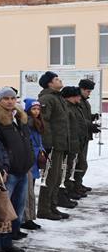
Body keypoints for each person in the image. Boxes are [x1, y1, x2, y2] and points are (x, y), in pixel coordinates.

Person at [0, 87, 34, 252]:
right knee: (3, 209)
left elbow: (26, 140)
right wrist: (3, 167)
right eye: (6, 98)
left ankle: (9, 240)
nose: (10, 101)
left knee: (17, 209)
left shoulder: (19, 117)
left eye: (13, 98)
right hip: (9, 170)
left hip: (23, 169)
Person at [38, 71, 72, 220]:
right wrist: (47, 144)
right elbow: (44, 122)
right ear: (50, 83)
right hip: (52, 145)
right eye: (56, 79)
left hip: (60, 144)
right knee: (50, 178)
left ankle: (52, 206)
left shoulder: (58, 98)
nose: (60, 81)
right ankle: (44, 209)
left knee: (57, 177)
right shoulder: (47, 98)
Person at [22, 99, 45, 228]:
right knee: (28, 190)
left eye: (38, 109)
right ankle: (26, 218)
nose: (36, 112)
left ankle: (30, 217)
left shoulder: (37, 123)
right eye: (33, 109)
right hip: (30, 158)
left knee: (31, 189)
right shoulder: (29, 123)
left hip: (36, 157)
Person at [64, 86, 89, 201]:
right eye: (77, 95)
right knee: (68, 169)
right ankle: (68, 191)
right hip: (71, 143)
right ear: (71, 97)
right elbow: (72, 126)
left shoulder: (75, 107)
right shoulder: (68, 108)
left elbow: (81, 122)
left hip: (78, 141)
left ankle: (73, 188)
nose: (80, 97)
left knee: (76, 167)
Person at [75, 79, 99, 195]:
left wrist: (92, 117)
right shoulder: (77, 100)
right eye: (88, 91)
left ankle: (78, 183)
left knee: (82, 162)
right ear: (82, 89)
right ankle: (75, 185)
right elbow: (78, 119)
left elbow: (84, 116)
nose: (89, 94)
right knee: (80, 162)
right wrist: (90, 125)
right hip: (79, 136)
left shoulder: (84, 101)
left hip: (84, 135)